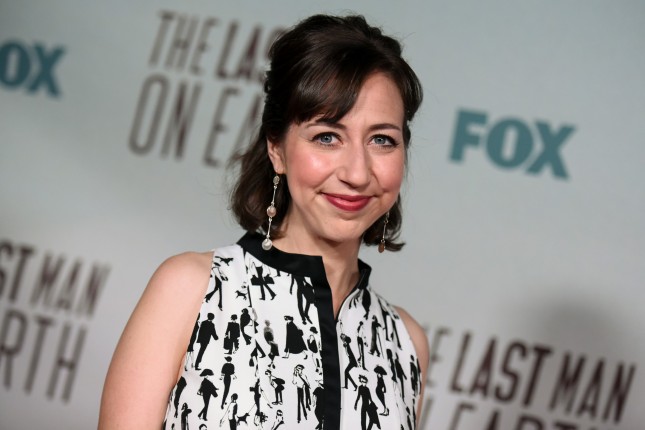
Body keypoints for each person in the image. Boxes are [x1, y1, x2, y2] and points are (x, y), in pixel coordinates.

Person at [98, 13, 429, 429]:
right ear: (277, 148)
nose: (357, 173)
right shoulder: (191, 289)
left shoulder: (406, 342)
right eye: (327, 137)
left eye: (382, 140)